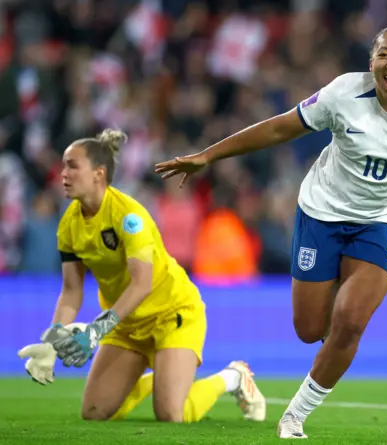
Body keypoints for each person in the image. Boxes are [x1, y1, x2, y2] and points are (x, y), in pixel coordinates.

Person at [155, 25, 387, 438]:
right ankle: (334, 319)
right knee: (309, 330)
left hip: (384, 222)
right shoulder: (344, 93)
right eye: (384, 55)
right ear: (371, 62)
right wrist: (208, 155)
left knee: (349, 321)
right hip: (321, 213)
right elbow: (279, 128)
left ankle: (294, 415)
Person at [18, 129, 266, 423]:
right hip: (126, 325)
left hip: (172, 314)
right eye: (63, 165)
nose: (63, 174)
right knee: (94, 412)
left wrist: (96, 331)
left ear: (98, 174)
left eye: (73, 166)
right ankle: (162, 380)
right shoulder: (68, 225)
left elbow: (142, 284)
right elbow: (71, 292)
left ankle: (234, 377)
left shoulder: (129, 216)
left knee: (173, 414)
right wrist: (50, 343)